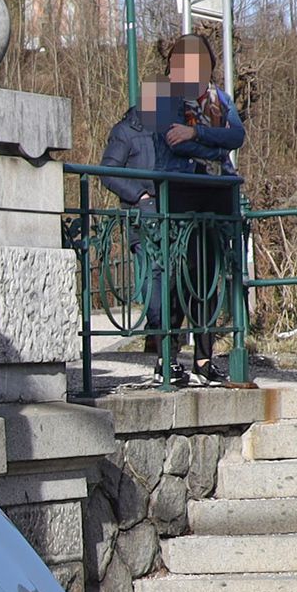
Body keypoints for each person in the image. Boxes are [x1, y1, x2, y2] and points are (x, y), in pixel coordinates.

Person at [96, 39, 244, 376]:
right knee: (162, 289)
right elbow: (109, 171)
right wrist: (140, 197)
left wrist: (201, 141)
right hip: (150, 217)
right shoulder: (128, 130)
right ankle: (167, 359)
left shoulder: (205, 106)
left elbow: (223, 144)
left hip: (190, 209)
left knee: (202, 279)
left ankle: (203, 358)